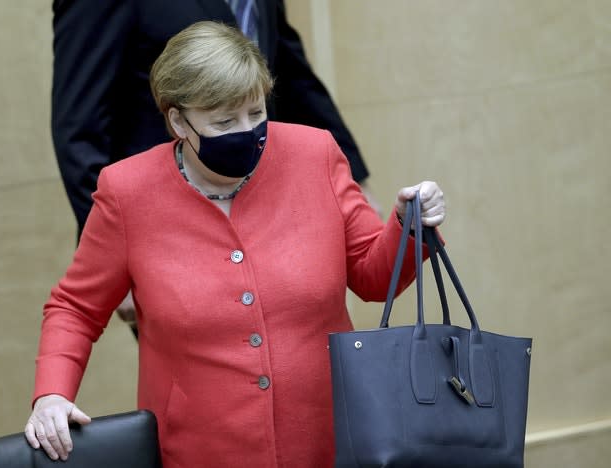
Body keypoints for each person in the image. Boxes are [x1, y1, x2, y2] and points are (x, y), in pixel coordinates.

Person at [26, 22, 446, 467]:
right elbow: (75, 307)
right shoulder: (128, 192)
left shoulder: (315, 154)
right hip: (198, 449)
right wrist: (52, 393)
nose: (246, 131)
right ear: (177, 121)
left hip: (331, 441)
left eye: (256, 113)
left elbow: (372, 276)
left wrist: (407, 225)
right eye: (224, 121)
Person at [52, 0, 380, 334]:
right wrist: (116, 253)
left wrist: (355, 180)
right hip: (170, 228)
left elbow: (291, 71)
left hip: (268, 209)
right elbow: (79, 128)